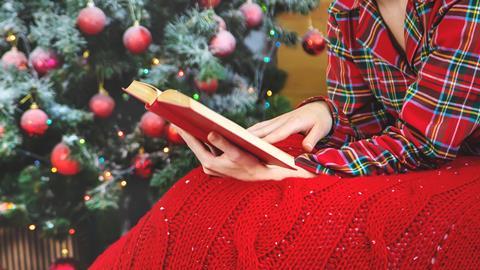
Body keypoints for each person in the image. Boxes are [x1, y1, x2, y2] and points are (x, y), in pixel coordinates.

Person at [90, 0, 480, 268]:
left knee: (295, 199)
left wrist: (303, 167)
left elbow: (425, 140)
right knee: (220, 190)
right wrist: (326, 111)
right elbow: (367, 119)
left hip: (453, 153)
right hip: (421, 145)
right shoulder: (350, 7)